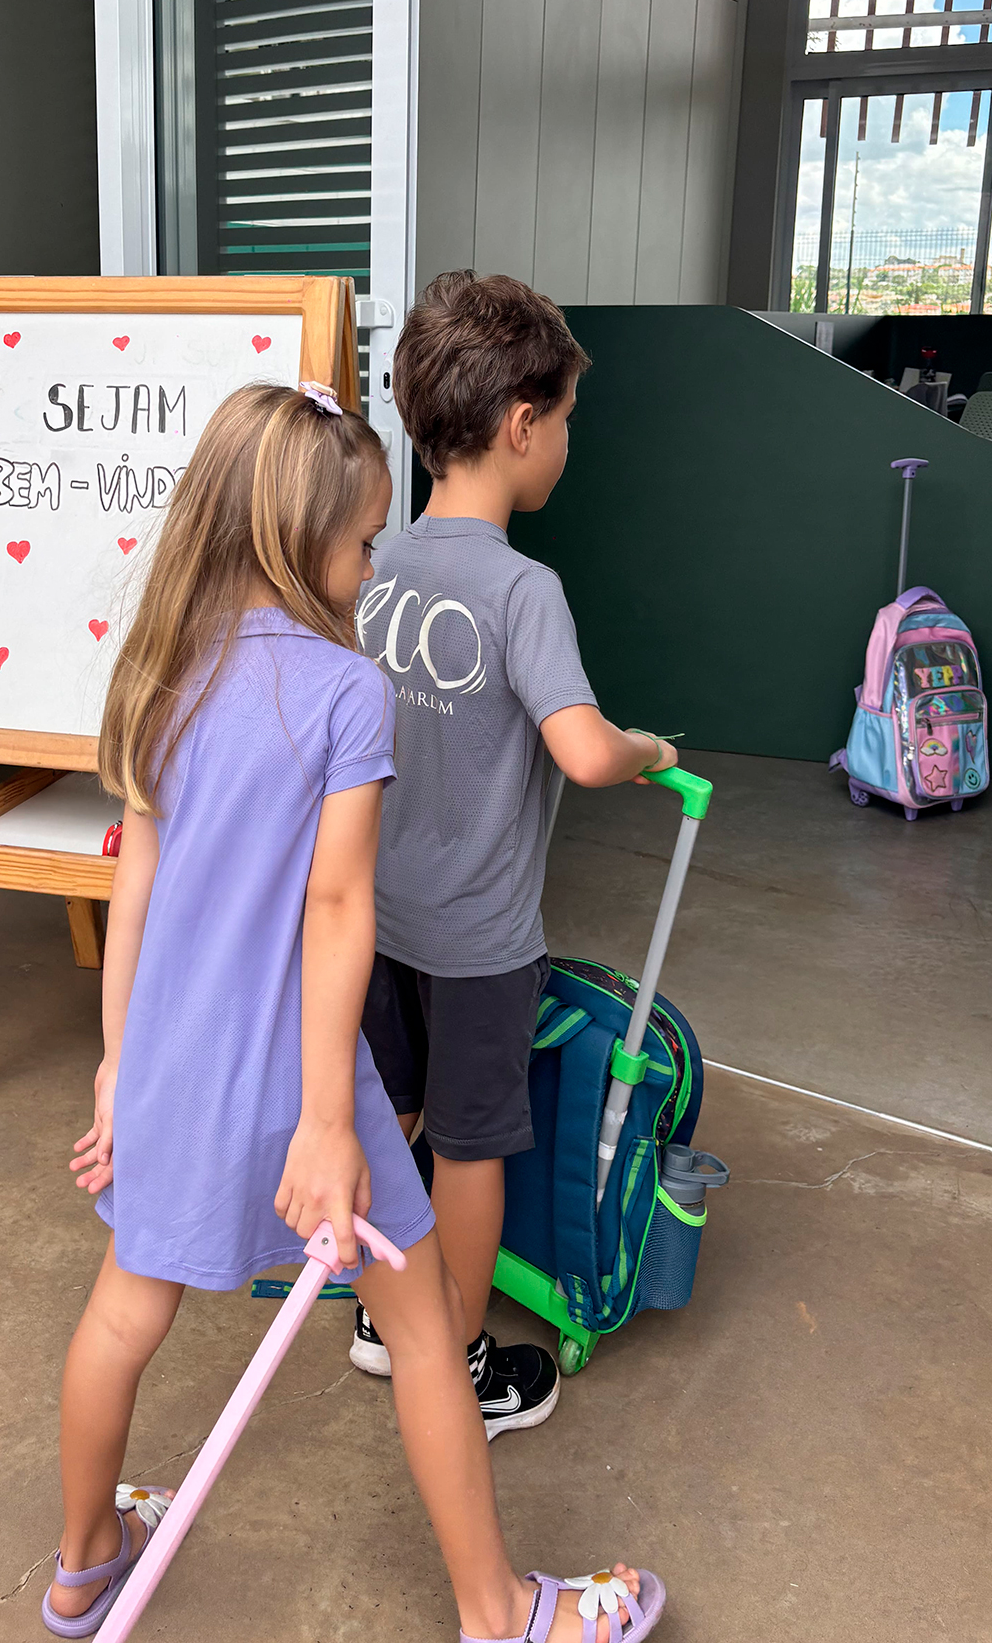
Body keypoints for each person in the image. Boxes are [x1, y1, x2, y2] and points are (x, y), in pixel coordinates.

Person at [43, 380, 665, 1641]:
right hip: (298, 1072)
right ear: (301, 537)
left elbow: (135, 884)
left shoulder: (160, 666)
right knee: (425, 1326)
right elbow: (338, 907)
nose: (375, 564)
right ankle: (499, 1609)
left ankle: (82, 1562)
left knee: (122, 1310)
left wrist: (117, 1061)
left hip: (167, 1058)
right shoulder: (344, 688)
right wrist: (330, 1118)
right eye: (367, 539)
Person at [351, 273, 678, 1436]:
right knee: (471, 1145)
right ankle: (456, 1355)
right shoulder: (525, 590)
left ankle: (379, 1314)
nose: (568, 442)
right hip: (479, 941)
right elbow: (583, 751)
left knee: (387, 1115)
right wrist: (648, 747)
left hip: (369, 916)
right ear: (523, 424)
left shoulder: (376, 561)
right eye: (568, 420)